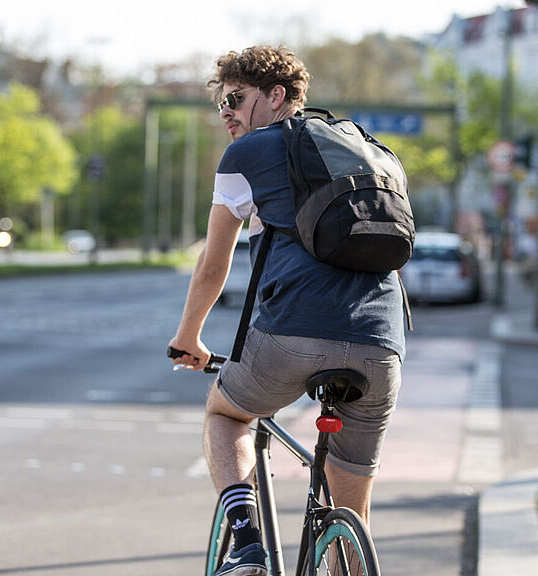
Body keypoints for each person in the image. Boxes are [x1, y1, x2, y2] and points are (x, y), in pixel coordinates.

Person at [168, 46, 405, 575]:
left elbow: (213, 262)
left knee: (226, 414)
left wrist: (189, 337)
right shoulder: (372, 153)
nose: (226, 113)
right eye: (221, 104)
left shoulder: (246, 156)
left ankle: (246, 542)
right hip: (381, 342)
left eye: (236, 98)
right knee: (352, 511)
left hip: (290, 333)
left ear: (276, 97)